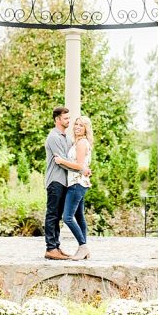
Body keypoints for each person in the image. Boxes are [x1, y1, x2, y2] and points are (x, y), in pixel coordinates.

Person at [43, 106, 90, 260]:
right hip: (55, 180)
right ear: (57, 120)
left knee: (60, 215)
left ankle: (57, 246)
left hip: (67, 182)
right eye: (66, 119)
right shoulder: (54, 137)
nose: (69, 122)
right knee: (53, 215)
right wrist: (82, 169)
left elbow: (75, 160)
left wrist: (83, 168)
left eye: (70, 119)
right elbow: (61, 162)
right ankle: (51, 248)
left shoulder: (68, 139)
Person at [56, 116, 93, 260]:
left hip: (77, 184)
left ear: (86, 129)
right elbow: (82, 166)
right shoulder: (77, 142)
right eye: (76, 124)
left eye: (81, 125)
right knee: (79, 217)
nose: (77, 127)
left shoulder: (82, 143)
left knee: (67, 217)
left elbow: (78, 165)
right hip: (79, 182)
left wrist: (61, 161)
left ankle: (83, 246)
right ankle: (83, 249)